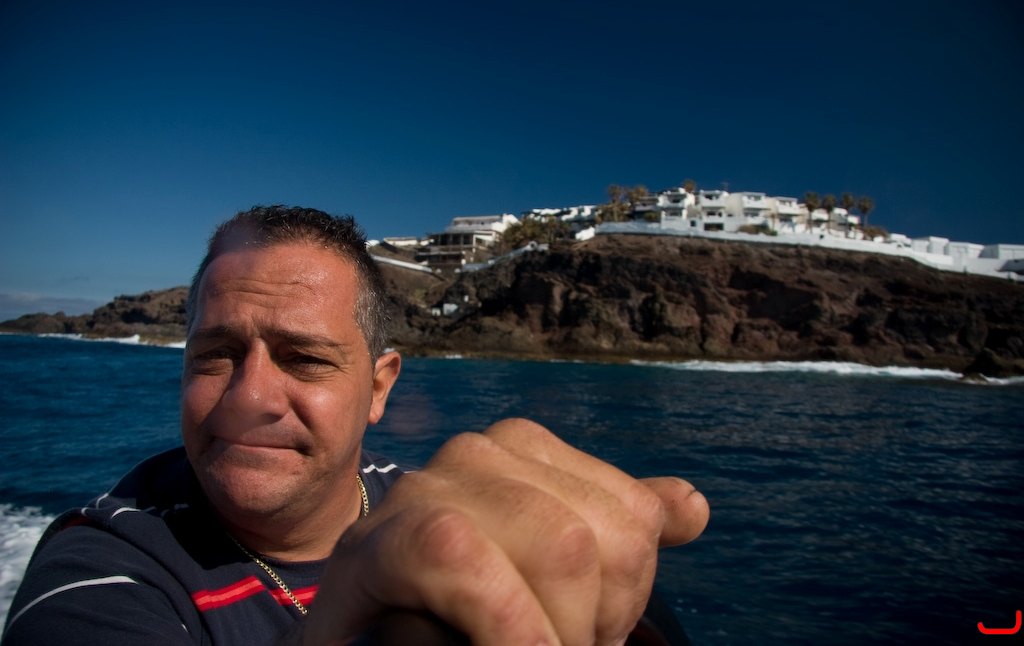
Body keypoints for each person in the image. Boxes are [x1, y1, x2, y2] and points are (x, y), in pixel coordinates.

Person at [2, 205, 710, 646]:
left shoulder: (438, 517)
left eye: (304, 358)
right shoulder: (98, 572)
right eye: (216, 355)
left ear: (378, 387)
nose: (250, 397)